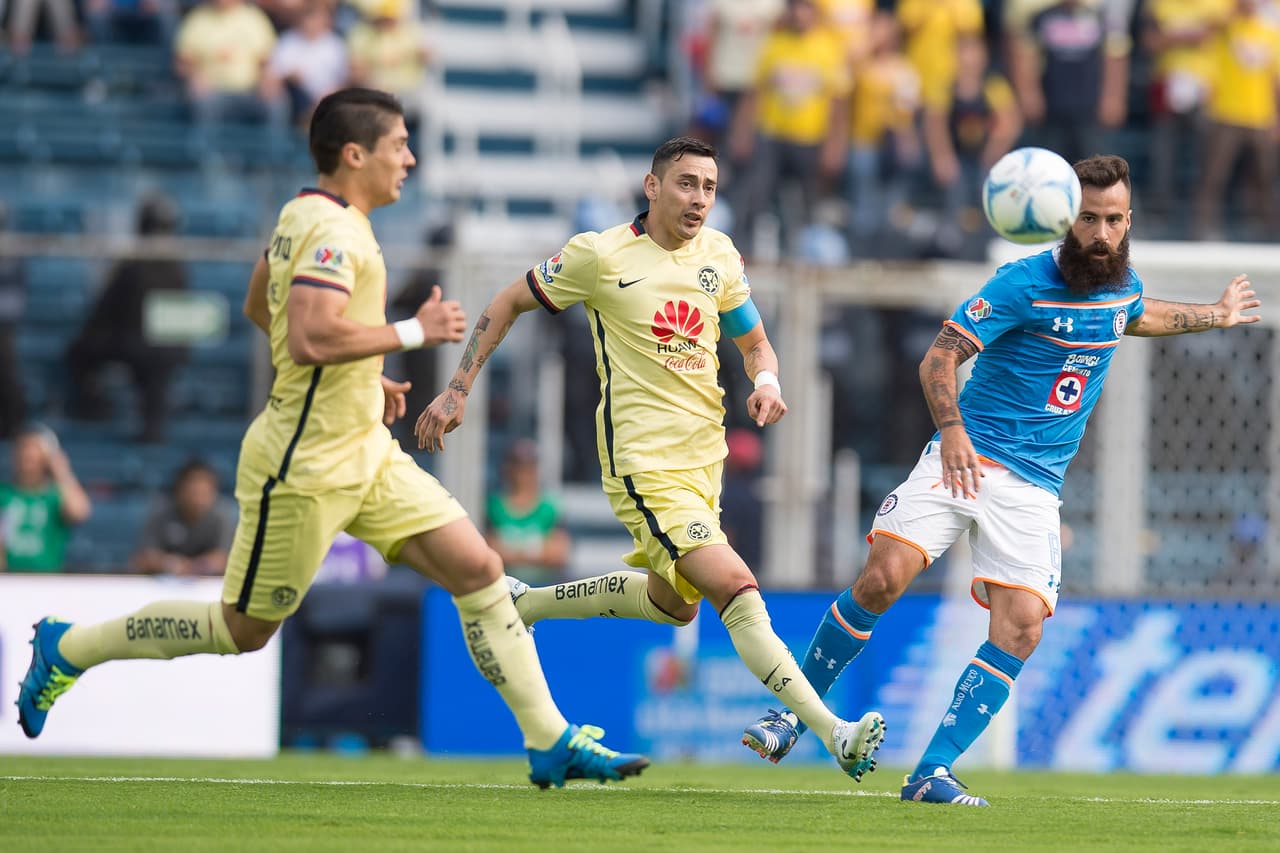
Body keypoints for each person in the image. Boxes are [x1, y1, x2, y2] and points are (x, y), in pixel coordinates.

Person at [16, 88, 648, 790]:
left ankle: (549, 740)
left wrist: (365, 375)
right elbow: (311, 332)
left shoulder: (314, 215)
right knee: (243, 628)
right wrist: (413, 333)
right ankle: (68, 645)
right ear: (355, 154)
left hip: (365, 449)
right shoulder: (332, 231)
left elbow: (266, 304)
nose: (410, 158)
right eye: (398, 145)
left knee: (477, 569)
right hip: (304, 461)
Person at [740, 154, 1261, 806]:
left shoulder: (1120, 287)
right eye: (1089, 219)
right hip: (967, 454)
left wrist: (1214, 313)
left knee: (1021, 626)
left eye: (1113, 220)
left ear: (1129, 222)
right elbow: (940, 357)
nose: (1101, 233)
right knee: (884, 575)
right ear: (1064, 220)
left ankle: (931, 771)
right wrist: (953, 430)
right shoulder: (1022, 282)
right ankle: (790, 712)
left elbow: (1139, 314)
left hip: (1035, 487)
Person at [416, 135, 887, 784]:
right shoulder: (599, 254)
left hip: (705, 465)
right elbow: (507, 303)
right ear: (653, 186)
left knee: (675, 605)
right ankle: (833, 732)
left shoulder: (718, 254)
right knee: (735, 586)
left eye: (710, 188)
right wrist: (458, 387)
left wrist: (768, 381)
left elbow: (756, 343)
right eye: (687, 184)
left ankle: (522, 605)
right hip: (644, 465)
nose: (700, 199)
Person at [65, 194, 187, 444]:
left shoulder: (151, 265)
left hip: (145, 348)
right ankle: (98, 410)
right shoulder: (171, 266)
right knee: (79, 352)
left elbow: (104, 308)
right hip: (139, 346)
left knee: (80, 350)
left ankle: (99, 411)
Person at [0, 426, 92, 572]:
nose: (27, 455)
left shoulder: (55, 496)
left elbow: (79, 512)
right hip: (9, 579)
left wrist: (61, 470)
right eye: (23, 448)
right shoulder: (4, 494)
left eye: (34, 449)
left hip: (47, 581)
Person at [486, 439, 570, 588]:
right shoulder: (495, 506)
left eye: (529, 467)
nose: (523, 474)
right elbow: (490, 552)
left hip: (543, 587)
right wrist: (537, 553)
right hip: (504, 588)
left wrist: (512, 553)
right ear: (508, 469)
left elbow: (559, 554)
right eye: (518, 467)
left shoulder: (549, 507)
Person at [131, 458, 236, 577]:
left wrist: (199, 565)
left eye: (204, 492)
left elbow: (228, 559)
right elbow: (143, 559)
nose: (199, 499)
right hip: (165, 585)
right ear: (180, 490)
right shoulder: (161, 512)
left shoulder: (222, 515)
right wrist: (172, 564)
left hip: (210, 588)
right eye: (194, 491)